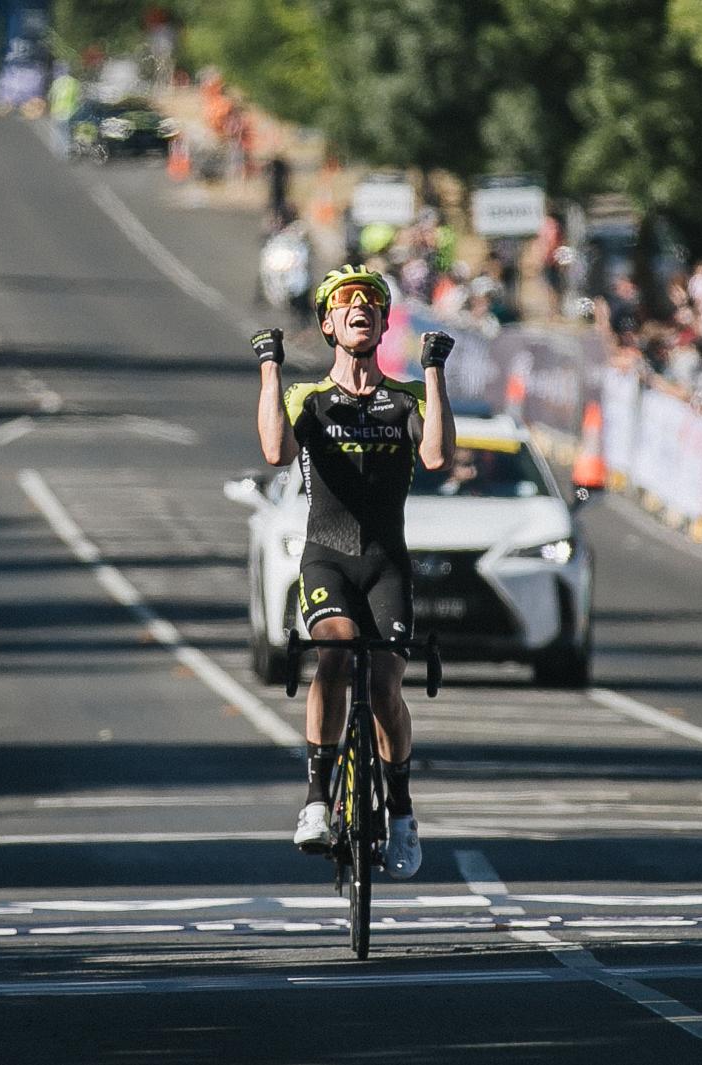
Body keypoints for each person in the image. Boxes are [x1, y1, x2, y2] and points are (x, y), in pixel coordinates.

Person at [252, 265, 455, 880]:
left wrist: (435, 372)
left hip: (386, 562)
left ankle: (400, 813)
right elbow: (273, 451)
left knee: (387, 686)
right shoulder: (307, 399)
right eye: (346, 303)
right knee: (336, 655)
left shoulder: (406, 399)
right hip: (328, 558)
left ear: (384, 321)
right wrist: (270, 368)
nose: (359, 307)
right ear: (328, 324)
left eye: (372, 301)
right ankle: (316, 801)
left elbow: (439, 457)